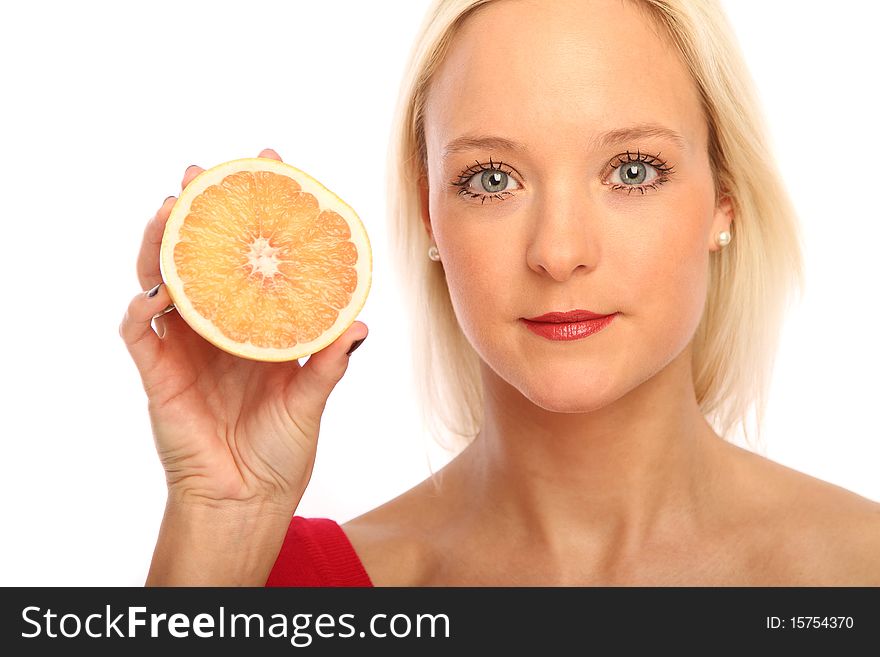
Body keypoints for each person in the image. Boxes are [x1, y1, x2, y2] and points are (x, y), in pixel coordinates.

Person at [120, 0, 880, 586]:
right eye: (492, 180)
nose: (557, 252)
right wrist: (222, 516)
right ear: (430, 217)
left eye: (633, 170)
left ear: (723, 200)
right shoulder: (281, 588)